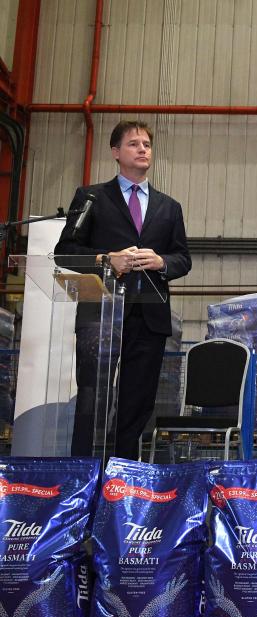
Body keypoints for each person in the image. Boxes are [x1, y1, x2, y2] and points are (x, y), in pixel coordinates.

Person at [55, 120, 191, 459]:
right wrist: (105, 259)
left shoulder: (168, 207)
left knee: (137, 400)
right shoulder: (91, 197)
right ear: (116, 152)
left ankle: (124, 474)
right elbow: (64, 251)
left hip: (149, 317)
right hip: (100, 312)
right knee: (92, 396)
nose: (143, 149)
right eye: (134, 143)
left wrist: (162, 262)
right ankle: (84, 472)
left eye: (147, 144)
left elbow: (182, 259)